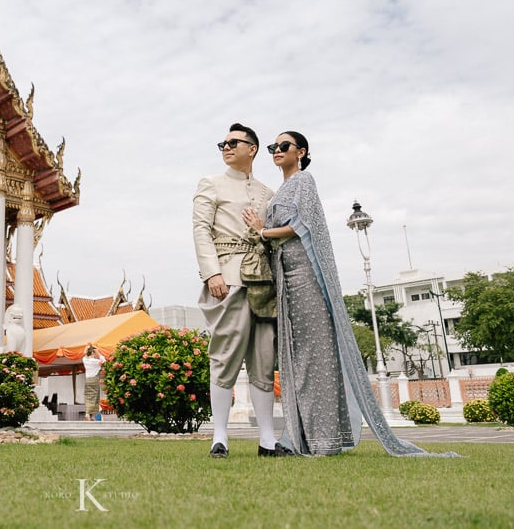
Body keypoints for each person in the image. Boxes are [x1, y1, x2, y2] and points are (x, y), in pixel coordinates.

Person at [244, 131, 455, 457]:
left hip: (306, 275)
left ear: (301, 152)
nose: (277, 150)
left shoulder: (304, 181)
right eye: (273, 147)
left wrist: (262, 230)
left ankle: (324, 439)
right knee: (297, 357)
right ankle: (304, 437)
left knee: (316, 356)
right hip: (285, 278)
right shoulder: (279, 192)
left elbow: (302, 226)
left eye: (284, 146)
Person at [192, 123, 278, 458]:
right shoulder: (211, 183)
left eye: (233, 143)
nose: (226, 148)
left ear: (252, 149)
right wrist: (212, 272)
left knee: (263, 357)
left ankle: (267, 439)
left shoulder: (268, 193)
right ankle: (220, 437)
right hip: (227, 278)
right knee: (224, 355)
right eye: (223, 144)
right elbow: (201, 229)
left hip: (263, 280)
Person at [82, 344, 105, 421]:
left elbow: (85, 355)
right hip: (94, 379)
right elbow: (104, 361)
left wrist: (89, 349)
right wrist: (98, 353)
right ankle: (92, 414)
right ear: (92, 353)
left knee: (89, 397)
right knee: (95, 398)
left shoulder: (84, 360)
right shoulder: (95, 361)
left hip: (87, 380)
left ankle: (88, 414)